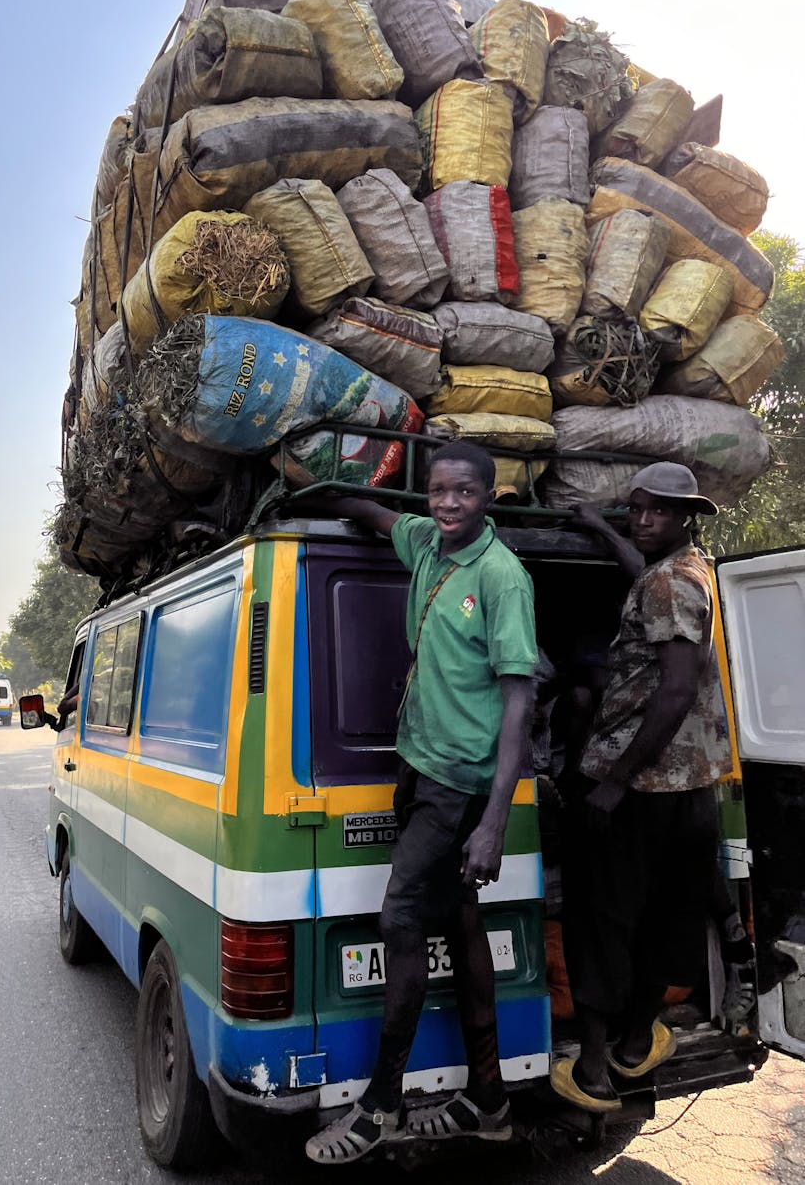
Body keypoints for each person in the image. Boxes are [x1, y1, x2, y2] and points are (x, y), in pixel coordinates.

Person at [305, 441, 537, 1164]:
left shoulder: (501, 577)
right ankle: (489, 1100)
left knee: (400, 913)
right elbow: (377, 515)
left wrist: (493, 823)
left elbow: (519, 702)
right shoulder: (428, 544)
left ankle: (379, 1107)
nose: (445, 504)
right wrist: (315, 492)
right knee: (459, 919)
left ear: (486, 498)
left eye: (462, 493)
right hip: (417, 765)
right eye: (436, 491)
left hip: (462, 784)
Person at [550, 463, 733, 1112]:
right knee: (671, 915)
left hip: (639, 790)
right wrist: (602, 530)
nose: (644, 519)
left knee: (602, 918)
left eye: (658, 511)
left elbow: (676, 689)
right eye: (637, 509)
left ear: (685, 515)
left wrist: (613, 784)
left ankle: (596, 1068)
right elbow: (646, 578)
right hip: (693, 788)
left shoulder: (668, 583)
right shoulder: (687, 570)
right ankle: (635, 1043)